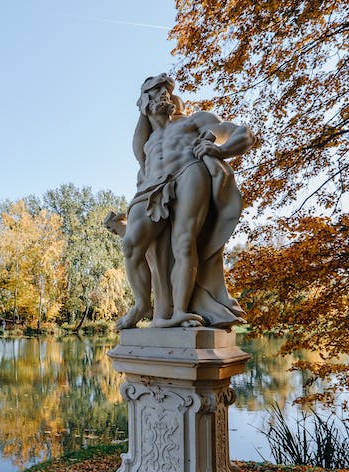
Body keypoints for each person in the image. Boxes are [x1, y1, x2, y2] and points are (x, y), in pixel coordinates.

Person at [109, 74, 254, 330]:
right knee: (132, 244)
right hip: (153, 185)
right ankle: (142, 305)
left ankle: (179, 311)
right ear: (143, 102)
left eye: (165, 90)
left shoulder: (195, 121)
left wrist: (220, 150)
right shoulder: (146, 144)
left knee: (184, 242)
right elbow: (142, 174)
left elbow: (242, 134)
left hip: (189, 171)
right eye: (154, 91)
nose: (162, 94)